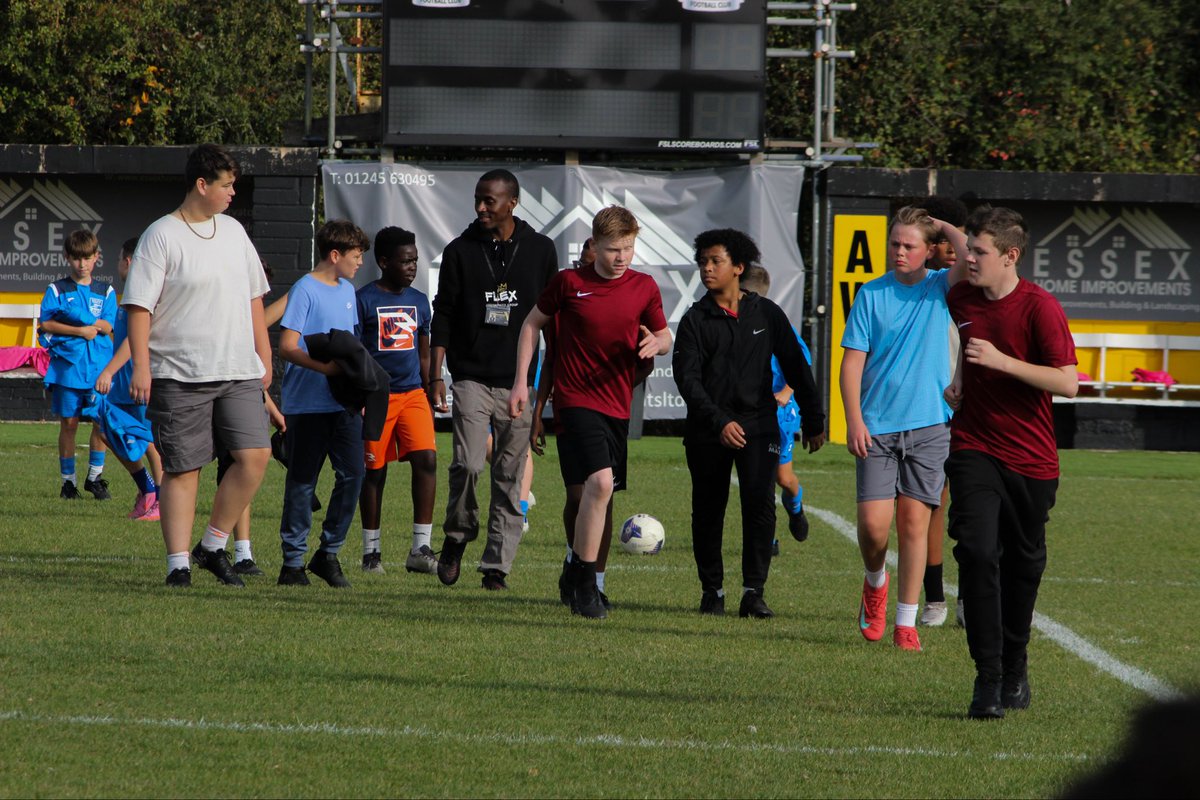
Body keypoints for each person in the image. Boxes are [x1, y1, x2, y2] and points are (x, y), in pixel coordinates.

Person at [942, 205, 1077, 719]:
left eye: (979, 252)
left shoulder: (1040, 307)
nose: (968, 259)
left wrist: (1001, 363)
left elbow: (1067, 381)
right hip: (974, 445)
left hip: (1032, 460)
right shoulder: (961, 296)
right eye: (969, 249)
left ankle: (1016, 665)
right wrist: (961, 376)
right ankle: (987, 677)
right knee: (975, 551)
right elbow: (970, 341)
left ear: (1010, 256)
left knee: (1023, 568)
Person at [124, 143, 274, 588]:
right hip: (179, 373)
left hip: (238, 370)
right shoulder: (161, 235)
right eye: (226, 186)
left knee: (255, 456)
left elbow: (254, 297)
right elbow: (138, 307)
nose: (232, 194)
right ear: (202, 184)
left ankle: (210, 546)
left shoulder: (233, 231)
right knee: (184, 468)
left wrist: (263, 356)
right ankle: (178, 566)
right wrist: (141, 366)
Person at [511, 207, 671, 619]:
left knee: (603, 492)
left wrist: (658, 343)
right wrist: (521, 384)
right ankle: (586, 584)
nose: (622, 257)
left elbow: (665, 334)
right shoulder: (569, 283)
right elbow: (531, 325)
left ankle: (578, 574)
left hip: (617, 405)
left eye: (629, 248)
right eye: (614, 249)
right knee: (597, 484)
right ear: (595, 245)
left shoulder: (644, 286)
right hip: (575, 399)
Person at [673, 229, 825, 619]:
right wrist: (719, 421)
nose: (707, 268)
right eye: (703, 261)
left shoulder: (766, 313)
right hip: (709, 431)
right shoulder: (694, 320)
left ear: (738, 267)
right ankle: (713, 592)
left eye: (715, 261)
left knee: (759, 508)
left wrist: (813, 417)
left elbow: (795, 364)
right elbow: (687, 380)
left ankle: (753, 593)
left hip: (759, 428)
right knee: (708, 510)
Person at [840, 206, 968, 651]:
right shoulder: (871, 294)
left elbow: (970, 258)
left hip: (931, 426)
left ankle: (906, 622)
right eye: (894, 243)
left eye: (909, 245)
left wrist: (944, 225)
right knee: (874, 529)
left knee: (914, 522)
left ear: (929, 251)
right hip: (875, 428)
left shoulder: (941, 286)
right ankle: (875, 581)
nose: (899, 251)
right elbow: (851, 364)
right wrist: (854, 419)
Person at [429, 169, 558, 590]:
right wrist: (436, 375)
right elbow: (443, 313)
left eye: (490, 201)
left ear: (512, 203)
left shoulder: (540, 250)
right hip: (469, 376)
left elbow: (551, 322)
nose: (481, 208)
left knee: (510, 474)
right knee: (467, 463)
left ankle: (496, 568)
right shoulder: (459, 250)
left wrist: (541, 396)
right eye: (478, 200)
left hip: (518, 381)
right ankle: (456, 536)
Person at [275, 219, 370, 588]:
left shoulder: (348, 290)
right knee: (302, 482)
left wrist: (358, 384)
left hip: (344, 406)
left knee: (354, 476)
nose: (360, 263)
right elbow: (287, 346)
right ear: (335, 255)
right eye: (356, 256)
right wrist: (326, 368)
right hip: (307, 405)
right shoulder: (304, 289)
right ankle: (292, 563)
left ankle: (327, 555)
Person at [356, 226, 438, 576]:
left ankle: (420, 548)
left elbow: (423, 352)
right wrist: (359, 395)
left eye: (415, 261)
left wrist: (432, 384)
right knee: (374, 472)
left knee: (427, 461)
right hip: (377, 398)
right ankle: (371, 553)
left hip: (413, 395)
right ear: (384, 261)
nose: (412, 267)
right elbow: (355, 354)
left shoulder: (419, 301)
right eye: (405, 261)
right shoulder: (364, 299)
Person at [914, 196, 970, 628]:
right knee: (933, 505)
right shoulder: (926, 286)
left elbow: (968, 255)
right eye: (940, 239)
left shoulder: (972, 285)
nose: (950, 246)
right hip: (930, 411)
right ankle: (935, 598)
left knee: (972, 510)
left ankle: (972, 592)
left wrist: (948, 226)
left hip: (973, 410)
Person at [737, 265, 813, 556]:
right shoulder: (734, 323)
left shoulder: (776, 324)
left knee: (783, 479)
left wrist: (786, 392)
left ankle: (795, 507)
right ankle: (766, 540)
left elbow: (800, 364)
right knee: (759, 478)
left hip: (780, 414)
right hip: (749, 413)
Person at [39, 228, 116, 501]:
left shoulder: (105, 290)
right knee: (69, 425)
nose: (81, 264)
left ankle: (94, 479)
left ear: (96, 257)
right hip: (68, 370)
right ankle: (68, 483)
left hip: (99, 370)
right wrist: (80, 330)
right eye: (76, 258)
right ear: (66, 258)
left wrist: (82, 319)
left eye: (87, 258)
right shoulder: (56, 289)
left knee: (100, 425)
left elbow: (108, 326)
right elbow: (46, 324)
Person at [92, 236, 164, 521]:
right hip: (123, 383)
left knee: (149, 441)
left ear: (129, 261)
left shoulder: (144, 295)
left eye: (119, 260)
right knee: (105, 430)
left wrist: (109, 370)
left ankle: (160, 499)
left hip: (139, 380)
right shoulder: (129, 295)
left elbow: (136, 340)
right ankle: (146, 488)